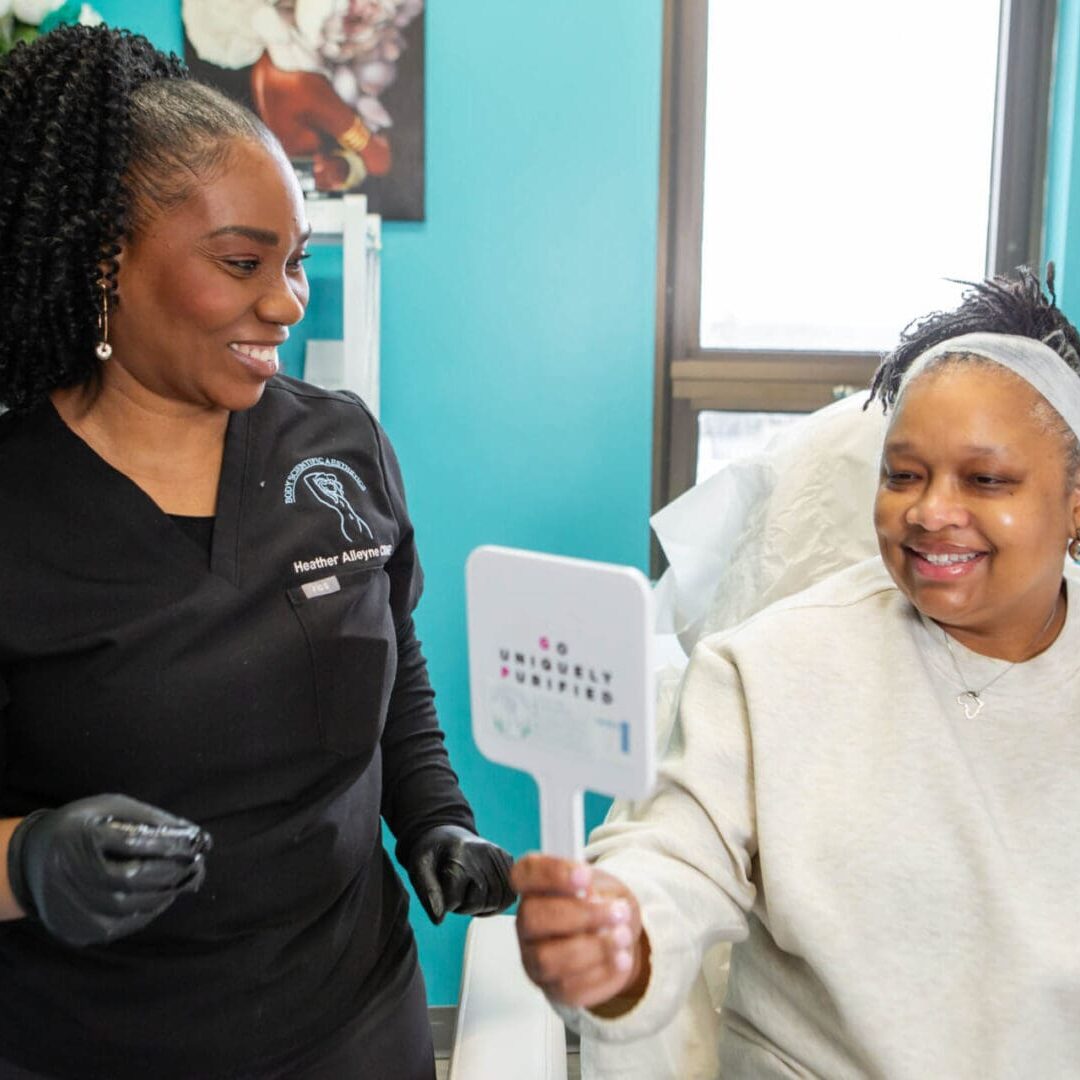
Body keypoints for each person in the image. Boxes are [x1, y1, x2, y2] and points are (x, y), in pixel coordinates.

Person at [0, 24, 513, 1080]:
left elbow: (393, 654)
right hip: (92, 1045)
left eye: (297, 263)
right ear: (106, 256)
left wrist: (435, 817)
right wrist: (22, 861)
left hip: (356, 1016)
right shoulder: (18, 500)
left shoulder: (338, 443)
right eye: (242, 263)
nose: (285, 303)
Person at [513, 267, 1080, 1078]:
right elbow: (669, 857)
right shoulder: (771, 668)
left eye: (985, 480)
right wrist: (619, 937)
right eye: (903, 474)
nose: (928, 511)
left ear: (1076, 502)